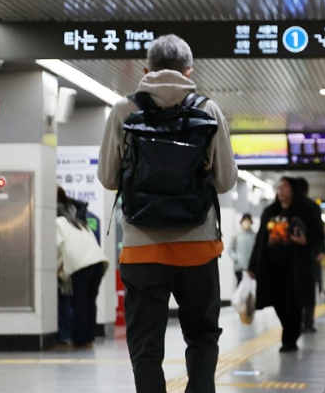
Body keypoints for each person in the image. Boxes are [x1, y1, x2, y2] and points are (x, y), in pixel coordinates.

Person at [98, 34, 237, 393]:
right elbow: (225, 181)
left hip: (142, 249)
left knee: (145, 346)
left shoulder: (124, 110)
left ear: (146, 70)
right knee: (202, 336)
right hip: (198, 248)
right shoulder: (208, 110)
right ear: (189, 71)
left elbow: (108, 178)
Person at [247, 177, 324, 352]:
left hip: (295, 266)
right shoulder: (270, 212)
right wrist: (252, 265)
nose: (281, 190)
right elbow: (260, 241)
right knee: (276, 300)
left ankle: (290, 338)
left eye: (285, 187)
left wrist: (305, 241)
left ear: (294, 190)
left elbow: (318, 235)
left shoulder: (306, 210)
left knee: (294, 301)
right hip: (272, 265)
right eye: (279, 187)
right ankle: (288, 329)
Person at [55, 187, 109, 350]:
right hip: (98, 263)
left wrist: (56, 270)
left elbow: (58, 248)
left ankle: (78, 340)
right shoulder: (77, 222)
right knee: (90, 302)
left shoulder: (58, 223)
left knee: (79, 303)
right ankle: (88, 339)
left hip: (82, 266)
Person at [295, 177, 325, 333]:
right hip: (311, 255)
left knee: (296, 291)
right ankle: (308, 323)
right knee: (308, 291)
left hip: (297, 257)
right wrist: (321, 251)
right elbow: (320, 231)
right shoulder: (313, 206)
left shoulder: (290, 206)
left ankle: (299, 322)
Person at [228, 213, 256, 284]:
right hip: (239, 267)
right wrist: (236, 257)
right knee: (240, 284)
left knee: (251, 286)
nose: (246, 223)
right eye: (245, 221)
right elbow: (230, 249)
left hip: (251, 266)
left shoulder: (255, 236)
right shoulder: (236, 235)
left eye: (248, 221)